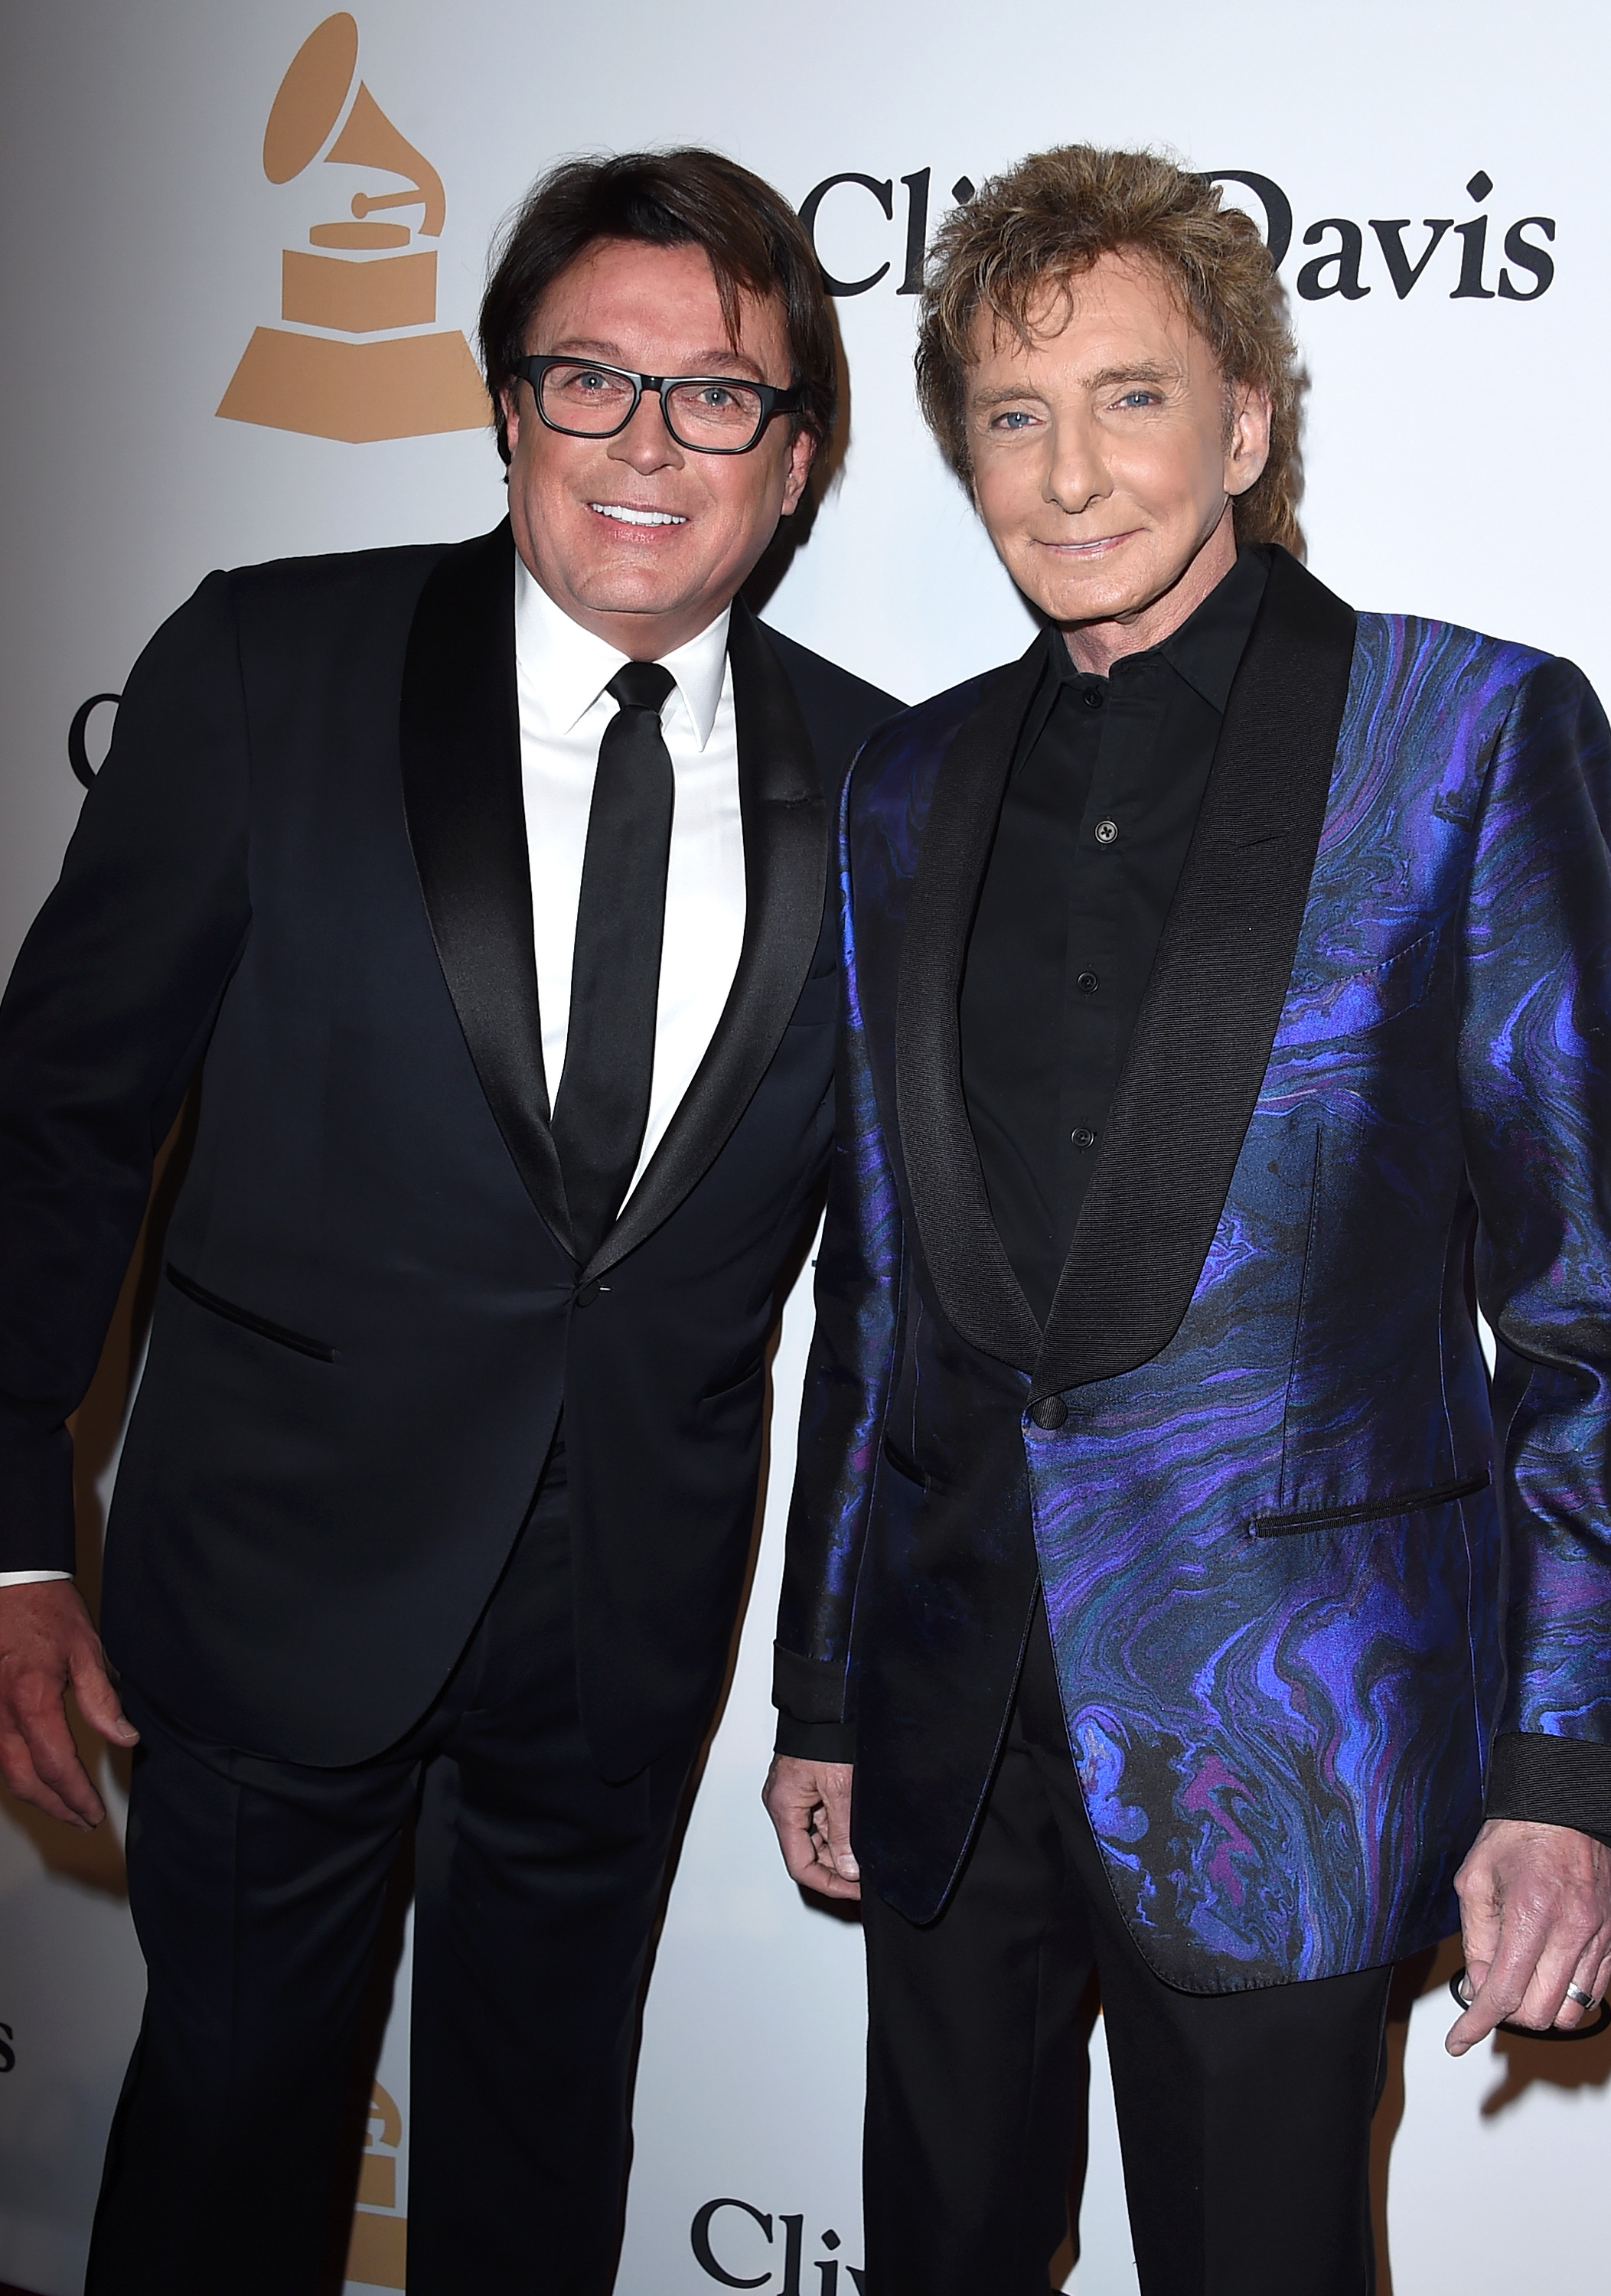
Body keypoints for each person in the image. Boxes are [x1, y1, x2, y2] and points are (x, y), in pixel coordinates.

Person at [762, 145, 1611, 2296]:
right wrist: (822, 1677)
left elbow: (1583, 1316)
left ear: (1248, 423)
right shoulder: (910, 784)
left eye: (1132, 396)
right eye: (1011, 411)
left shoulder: (1458, 735)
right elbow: (881, 1276)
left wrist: (1565, 1766)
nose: (1068, 472)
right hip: (946, 1709)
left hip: (1287, 1730)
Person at [0, 148, 897, 2295]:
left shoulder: (890, 790)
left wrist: (838, 1671)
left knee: (535, 2151)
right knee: (227, 2141)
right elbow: (56, 1121)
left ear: (795, 462)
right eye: (588, 379)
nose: (644, 445)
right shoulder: (263, 667)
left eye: (716, 399)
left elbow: (891, 1293)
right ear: (502, 409)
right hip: (267, 1579)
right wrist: (18, 1534)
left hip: (620, 1630)